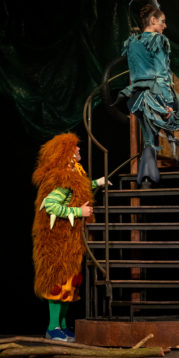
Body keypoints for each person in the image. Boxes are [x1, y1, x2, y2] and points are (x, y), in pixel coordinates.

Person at [115, 0, 179, 187]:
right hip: (158, 94)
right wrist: (166, 104)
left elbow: (136, 74)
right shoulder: (160, 41)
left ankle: (145, 179)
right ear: (153, 21)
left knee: (150, 138)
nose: (165, 26)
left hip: (137, 99)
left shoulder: (132, 42)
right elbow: (161, 74)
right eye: (162, 22)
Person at [32, 133, 110, 342]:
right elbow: (51, 205)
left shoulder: (73, 174)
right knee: (58, 282)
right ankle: (53, 328)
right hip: (59, 241)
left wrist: (97, 183)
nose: (78, 149)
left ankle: (63, 326)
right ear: (66, 153)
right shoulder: (61, 178)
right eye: (75, 147)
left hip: (71, 241)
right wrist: (78, 212)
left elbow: (78, 189)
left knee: (70, 284)